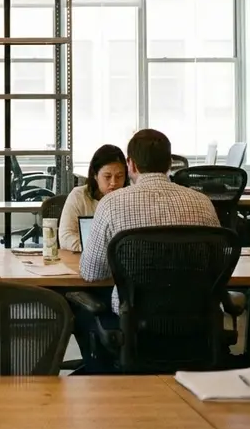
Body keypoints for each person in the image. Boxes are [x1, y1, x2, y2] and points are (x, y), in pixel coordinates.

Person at [80, 129, 221, 313]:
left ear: (131, 164)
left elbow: (92, 273)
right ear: (170, 163)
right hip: (194, 315)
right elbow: (218, 264)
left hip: (134, 317)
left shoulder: (110, 204)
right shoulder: (203, 203)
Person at [59, 144, 129, 252]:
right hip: (84, 260)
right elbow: (65, 237)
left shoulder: (131, 198)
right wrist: (100, 250)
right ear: (95, 175)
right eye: (107, 177)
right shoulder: (79, 196)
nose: (113, 183)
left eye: (119, 176)